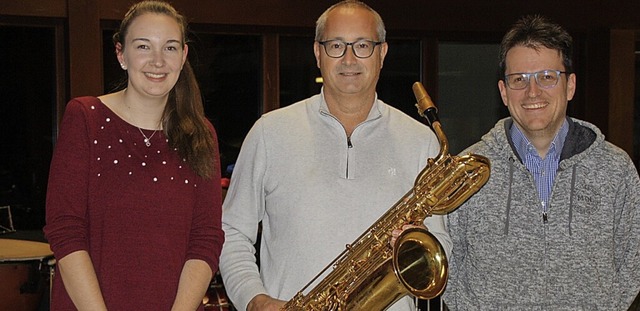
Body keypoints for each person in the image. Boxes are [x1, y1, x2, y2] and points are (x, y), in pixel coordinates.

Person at [218, 1, 452, 311]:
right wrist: (254, 299)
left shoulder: (423, 142)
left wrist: (416, 249)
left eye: (363, 45)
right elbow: (231, 232)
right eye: (336, 45)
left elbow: (442, 245)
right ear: (318, 53)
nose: (349, 59)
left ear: (382, 53)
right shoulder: (268, 133)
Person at [444, 15, 640, 310]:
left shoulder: (615, 169)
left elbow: (632, 264)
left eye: (547, 77)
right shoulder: (468, 171)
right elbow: (451, 266)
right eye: (519, 79)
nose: (532, 92)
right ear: (503, 92)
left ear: (570, 86)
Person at [43, 1, 224, 310]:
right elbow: (66, 229)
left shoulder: (201, 134)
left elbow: (205, 239)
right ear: (120, 54)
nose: (157, 61)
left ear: (183, 56)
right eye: (143, 46)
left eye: (169, 48)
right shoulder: (86, 118)